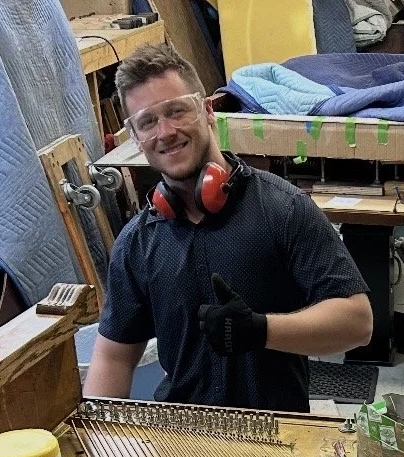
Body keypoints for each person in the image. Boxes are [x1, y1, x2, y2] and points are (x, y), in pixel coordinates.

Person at [83, 44, 373, 411]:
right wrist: (95, 439)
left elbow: (357, 321)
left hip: (279, 437)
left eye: (176, 111)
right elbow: (114, 358)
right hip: (182, 436)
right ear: (137, 139)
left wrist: (260, 330)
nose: (166, 131)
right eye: (148, 122)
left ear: (207, 110)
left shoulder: (281, 209)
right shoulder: (137, 242)